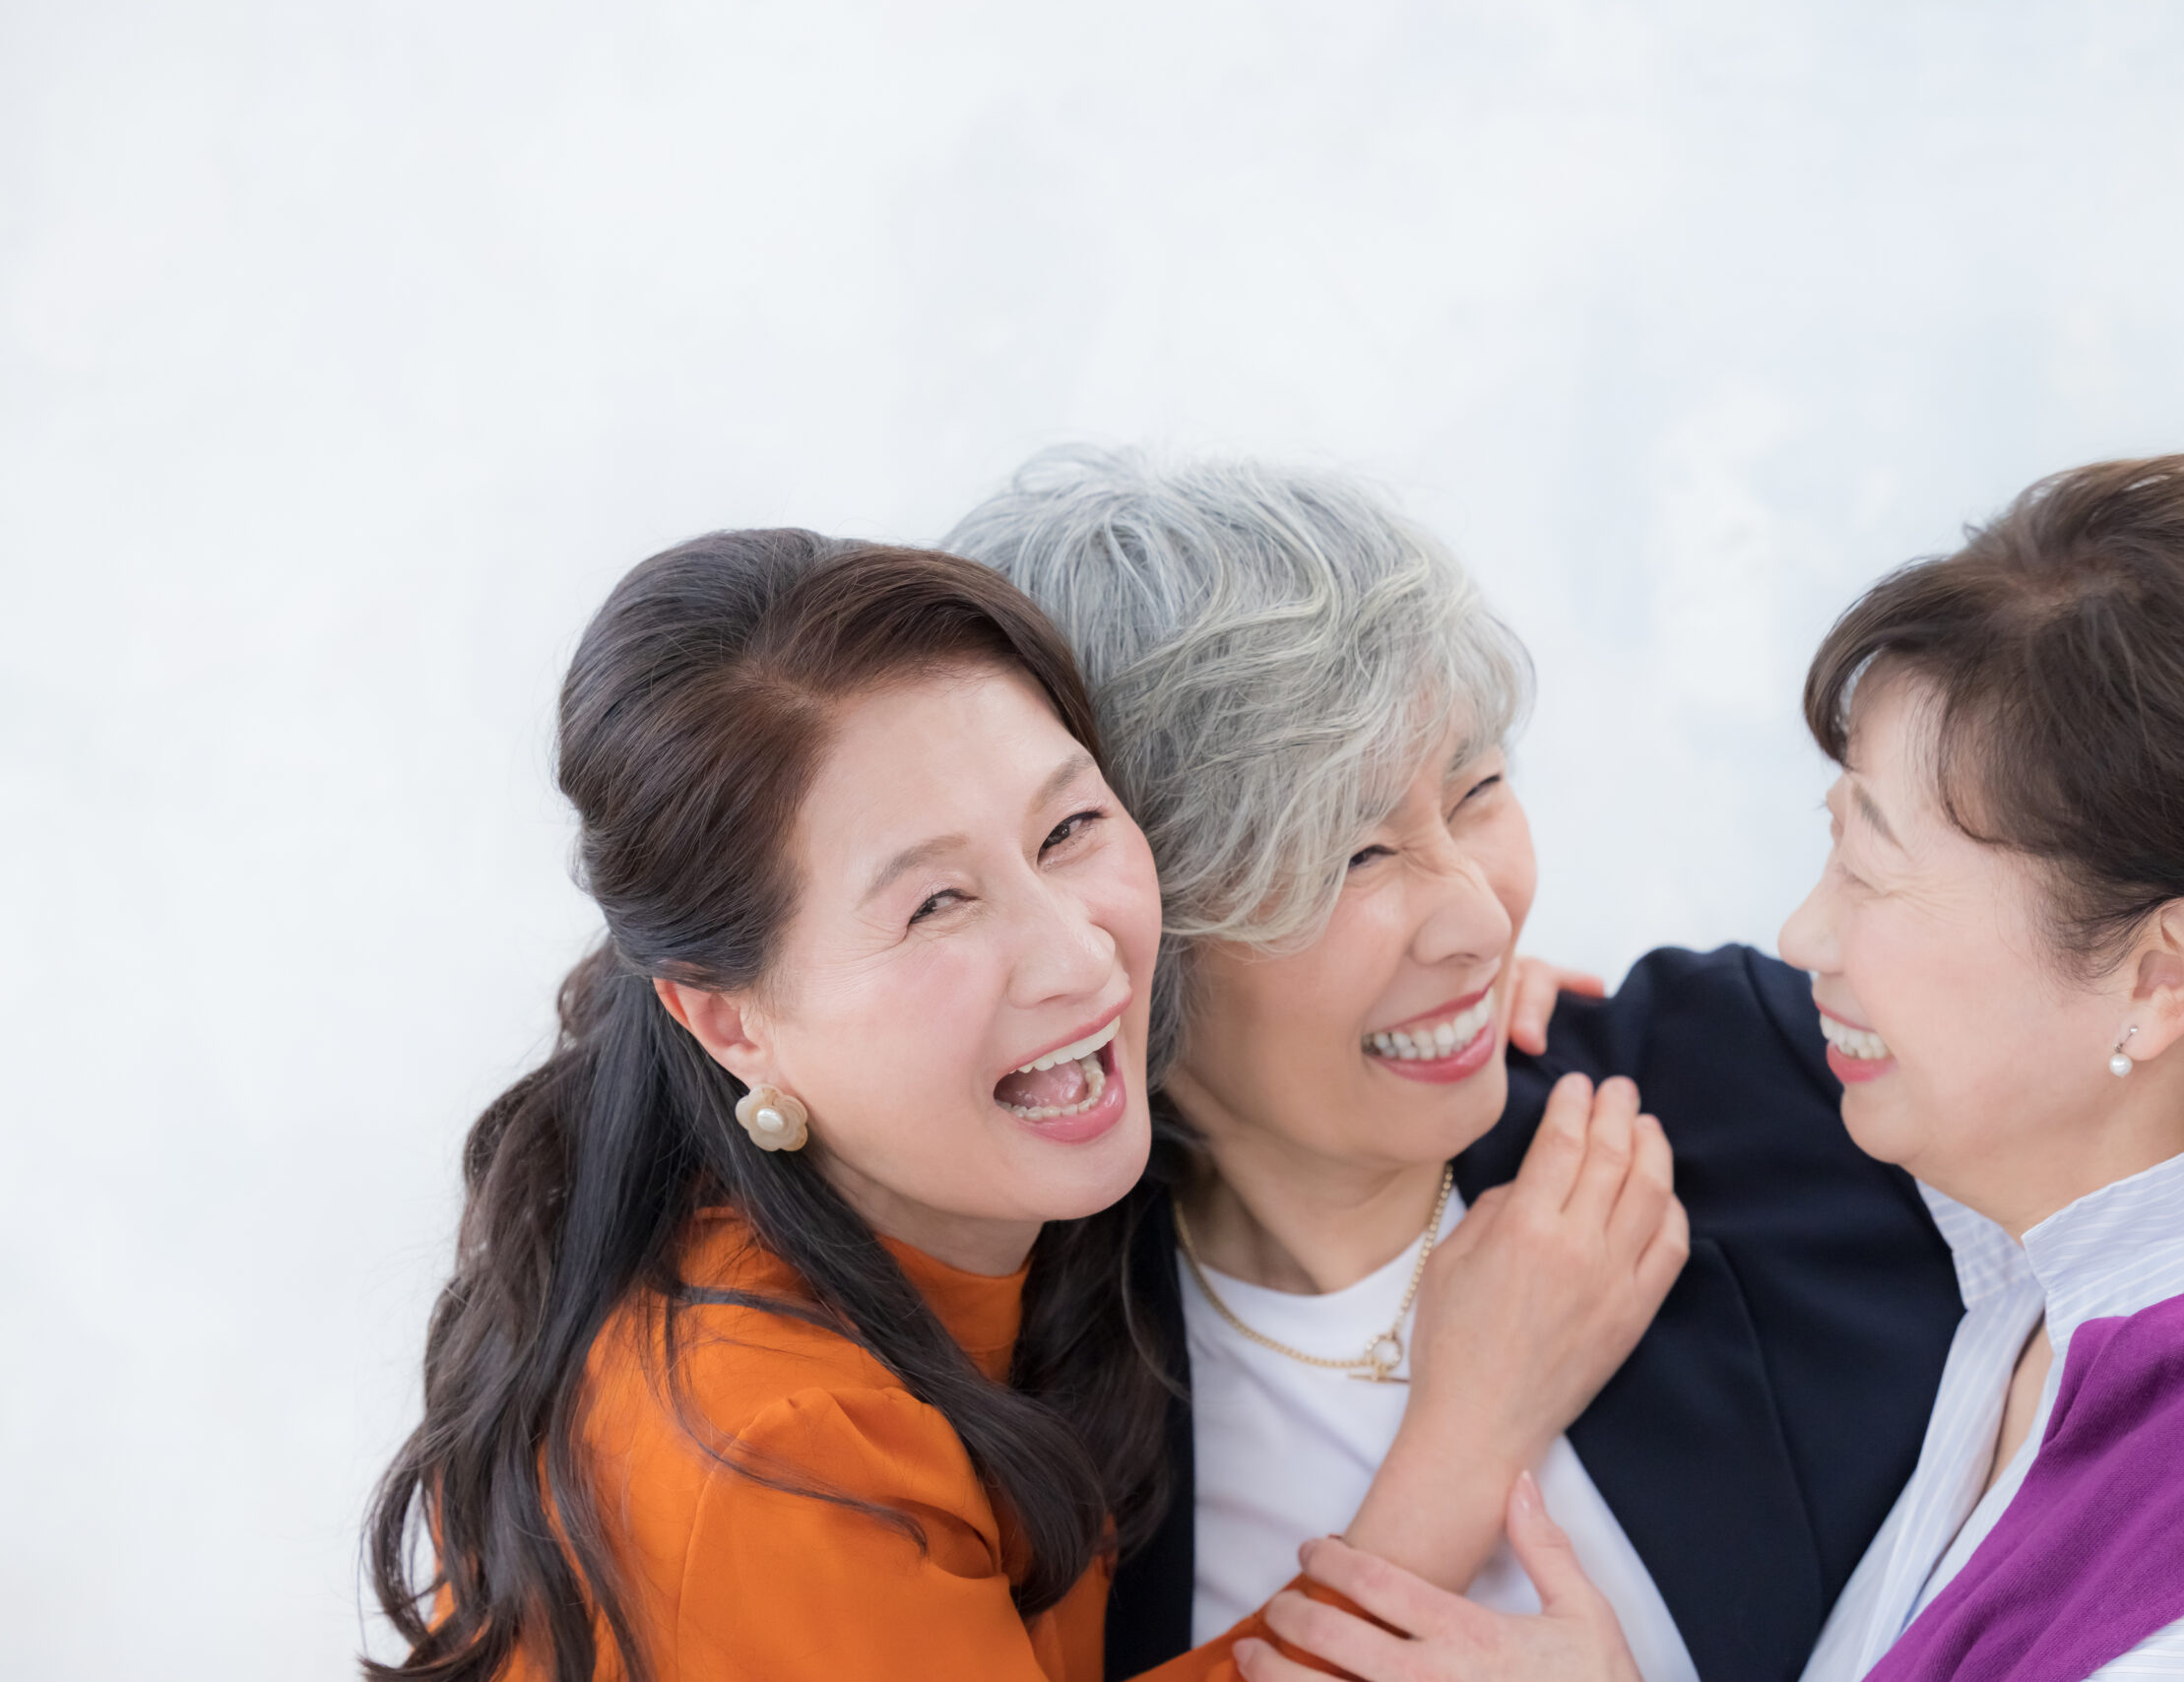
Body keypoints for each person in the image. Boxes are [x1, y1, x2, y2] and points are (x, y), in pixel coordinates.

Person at [943, 449, 2184, 1682]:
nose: (1475, 914)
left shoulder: (1752, 1085)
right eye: (1351, 856)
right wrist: (1458, 1447)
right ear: (1134, 923)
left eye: (1478, 790)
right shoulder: (1011, 1371)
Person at [359, 532, 1677, 1682]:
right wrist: (1470, 1436)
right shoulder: (757, 1437)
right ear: (731, 1022)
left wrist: (1431, 985)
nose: (1076, 956)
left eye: (1068, 831)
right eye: (937, 904)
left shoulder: (986, 1194)